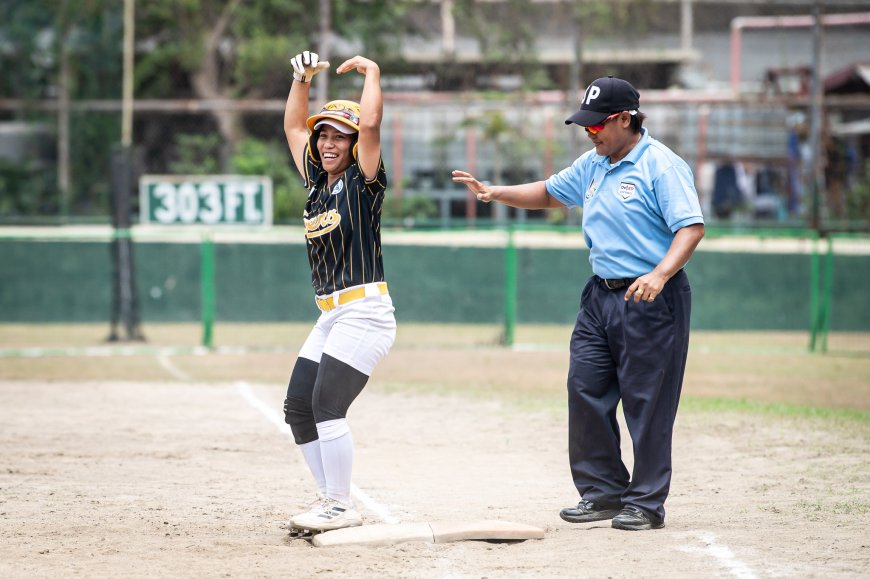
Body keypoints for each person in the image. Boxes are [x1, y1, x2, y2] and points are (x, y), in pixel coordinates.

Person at [453, 76, 705, 531]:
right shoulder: (594, 164)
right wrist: (495, 192)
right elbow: (550, 192)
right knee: (584, 387)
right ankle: (603, 491)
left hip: (649, 296)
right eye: (586, 127)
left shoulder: (661, 166)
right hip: (599, 296)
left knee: (647, 403)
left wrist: (659, 274)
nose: (590, 134)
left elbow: (690, 227)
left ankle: (645, 503)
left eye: (598, 126)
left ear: (625, 119)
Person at [282, 50, 396, 532]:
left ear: (353, 145)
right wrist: (300, 79)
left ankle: (339, 506)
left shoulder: (362, 183)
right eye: (324, 134)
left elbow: (370, 128)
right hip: (330, 315)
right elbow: (292, 128)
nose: (329, 142)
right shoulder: (315, 184)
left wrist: (372, 73)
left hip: (366, 311)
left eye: (339, 136)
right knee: (297, 409)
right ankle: (329, 499)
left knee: (328, 407)